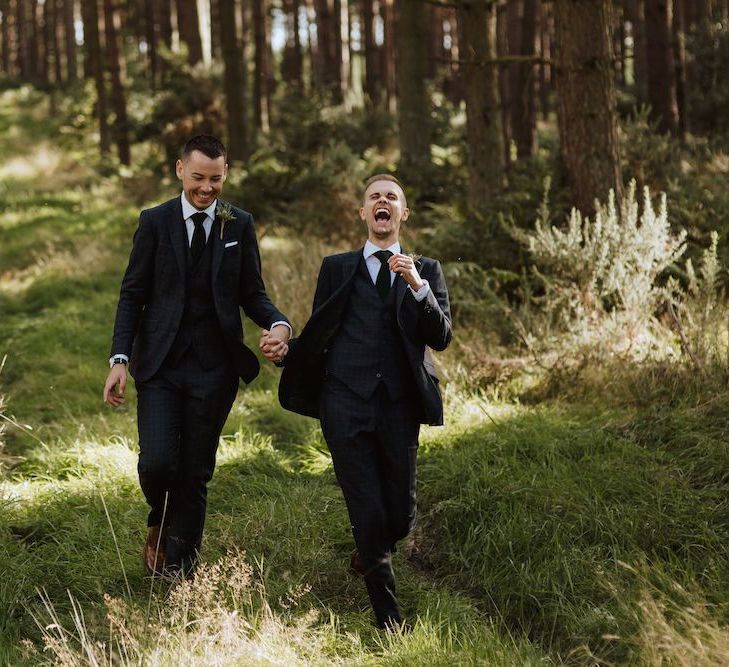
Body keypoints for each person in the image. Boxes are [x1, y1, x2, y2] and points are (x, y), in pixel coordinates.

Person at [266, 174, 452, 629]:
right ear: (364, 213)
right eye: (375, 197)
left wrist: (416, 286)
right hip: (344, 401)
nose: (382, 202)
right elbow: (321, 330)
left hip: (399, 405)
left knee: (401, 516)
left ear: (403, 214)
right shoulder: (336, 267)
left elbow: (441, 337)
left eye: (392, 197)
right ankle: (388, 618)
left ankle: (370, 551)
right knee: (366, 510)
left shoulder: (425, 269)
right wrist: (286, 351)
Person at [103, 135, 290, 578]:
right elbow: (133, 295)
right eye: (199, 178)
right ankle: (160, 518)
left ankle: (180, 575)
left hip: (215, 367)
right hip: (161, 364)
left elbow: (252, 293)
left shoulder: (237, 223)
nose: (207, 189)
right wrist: (119, 359)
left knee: (195, 471)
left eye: (217, 180)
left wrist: (279, 323)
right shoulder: (154, 221)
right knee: (158, 462)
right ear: (179, 170)